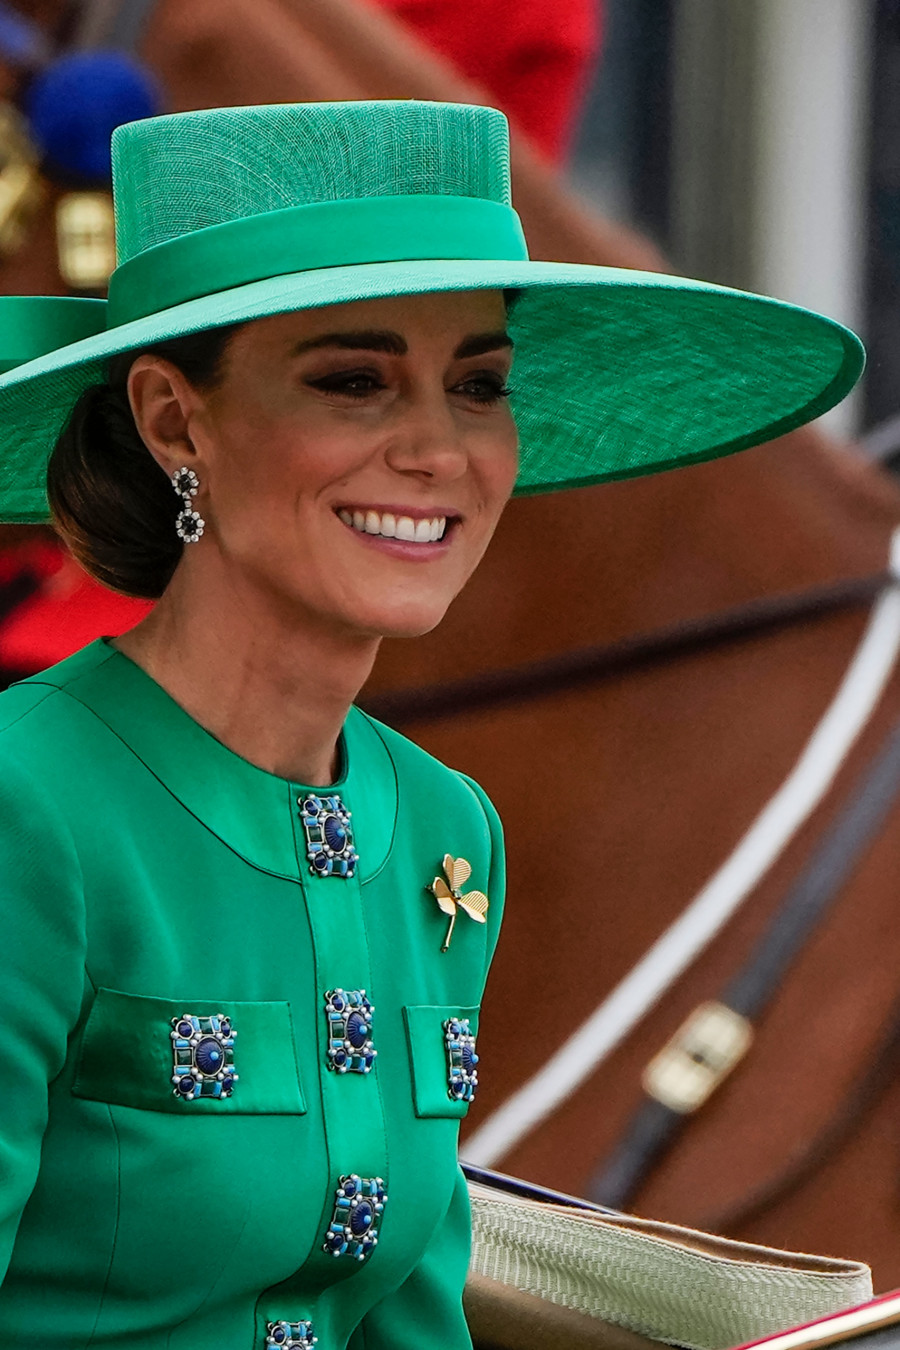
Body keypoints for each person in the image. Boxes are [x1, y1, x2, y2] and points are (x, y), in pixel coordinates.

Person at [0, 98, 861, 1348]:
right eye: (354, 381)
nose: (438, 449)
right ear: (175, 418)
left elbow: (405, 1315)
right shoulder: (30, 804)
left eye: (479, 385)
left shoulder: (444, 832)